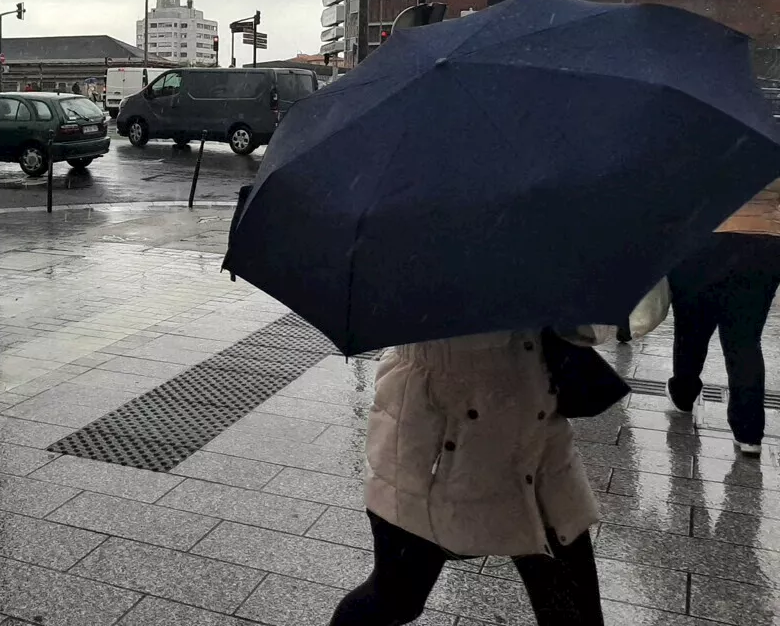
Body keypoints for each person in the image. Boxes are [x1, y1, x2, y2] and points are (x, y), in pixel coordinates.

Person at [331, 330, 604, 625]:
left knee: (574, 610)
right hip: (434, 442)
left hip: (538, 439)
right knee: (396, 598)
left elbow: (592, 328)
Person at [666, 179, 780, 456]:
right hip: (764, 243)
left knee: (691, 328)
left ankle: (684, 394)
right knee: (744, 340)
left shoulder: (703, 139)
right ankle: (749, 432)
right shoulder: (773, 141)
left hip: (702, 239)